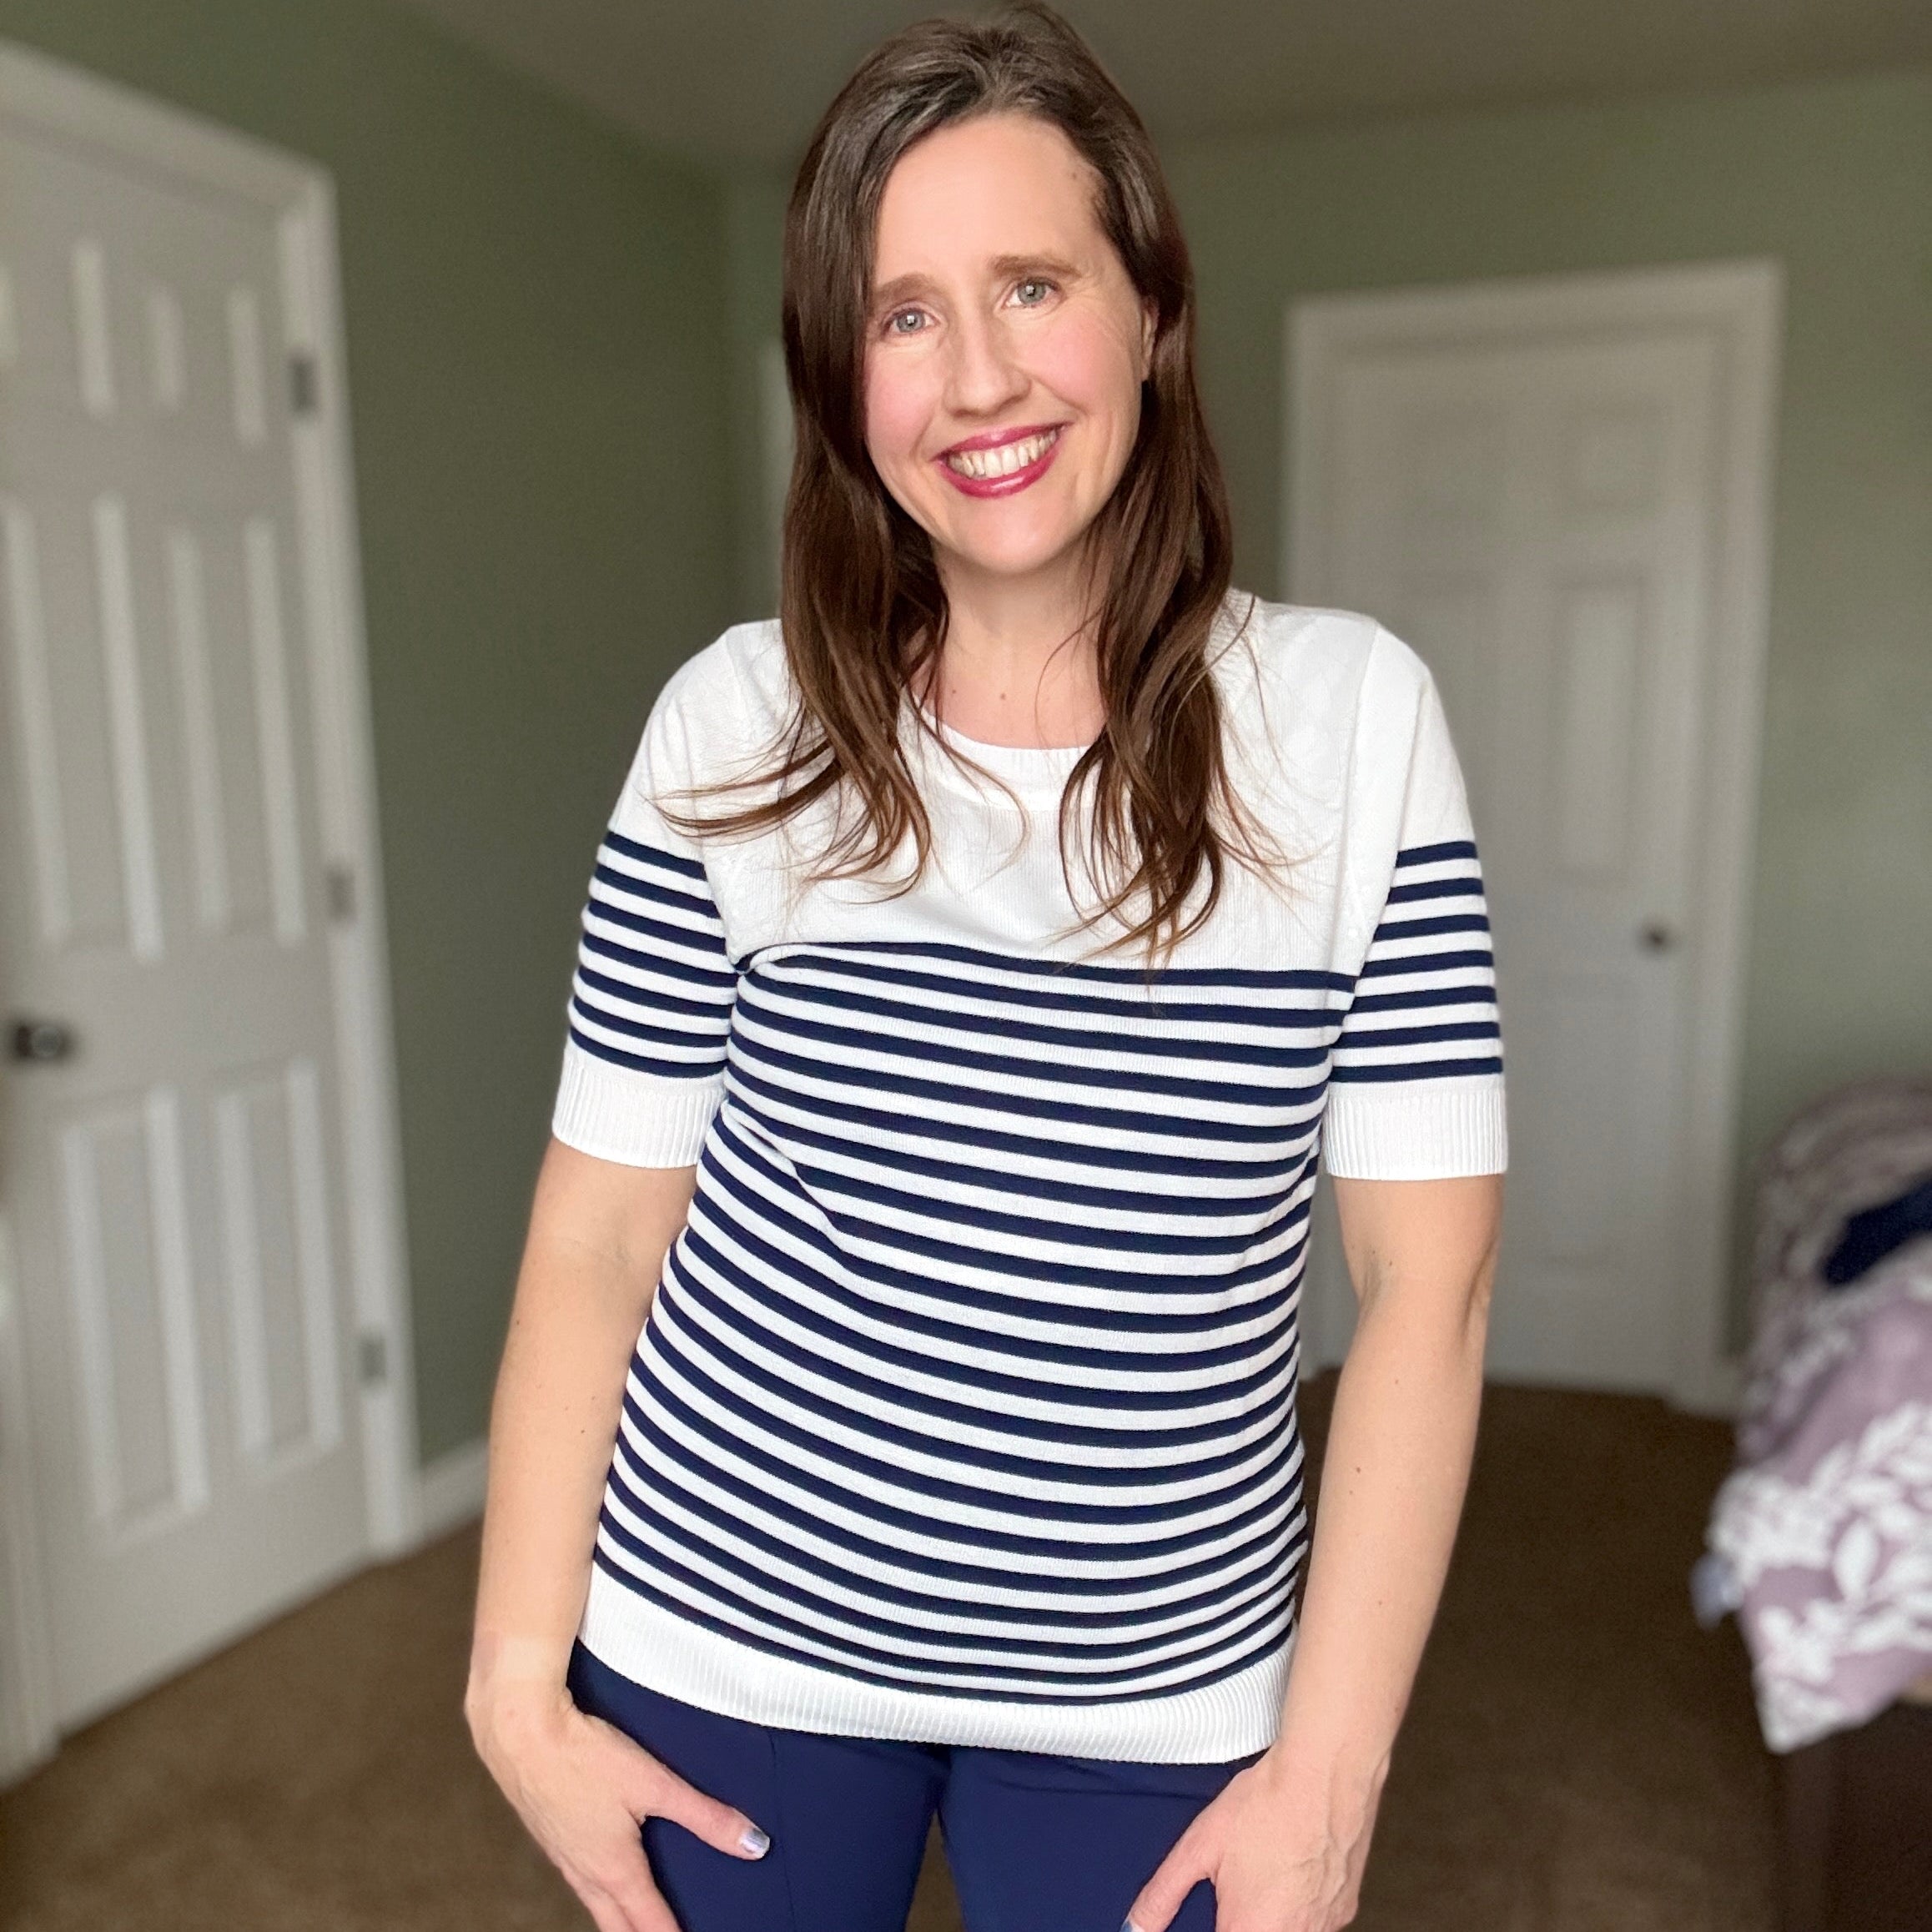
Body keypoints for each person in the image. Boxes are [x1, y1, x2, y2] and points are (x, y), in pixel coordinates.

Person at [465, 8, 1505, 1930]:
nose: (980, 378)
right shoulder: (731, 722)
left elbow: (1426, 1285)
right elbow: (602, 1231)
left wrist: (1333, 1775)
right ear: (840, 375)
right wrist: (514, 1686)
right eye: (903, 314)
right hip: (726, 1633)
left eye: (1033, 285)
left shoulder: (1351, 721)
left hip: (1166, 1681)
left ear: (1149, 311)